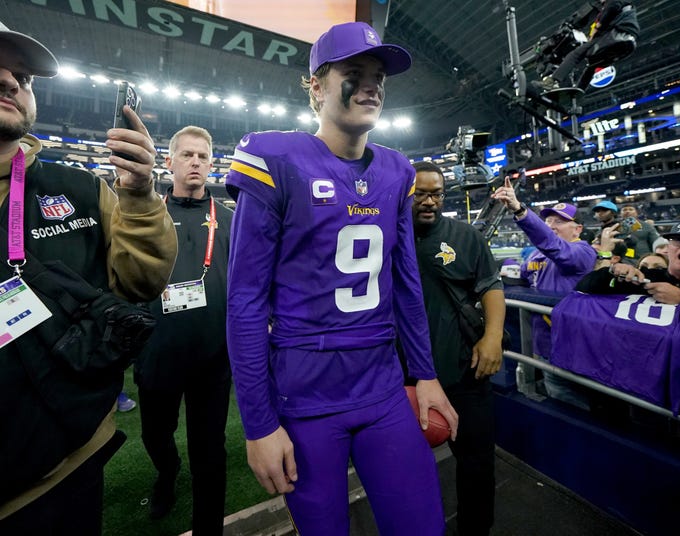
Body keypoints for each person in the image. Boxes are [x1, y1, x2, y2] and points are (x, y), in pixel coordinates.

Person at [223, 22, 458, 536]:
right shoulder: (274, 158)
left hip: (382, 387)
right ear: (315, 86)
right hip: (305, 397)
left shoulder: (397, 171)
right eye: (355, 73)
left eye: (378, 76)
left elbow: (405, 285)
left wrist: (425, 374)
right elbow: (244, 301)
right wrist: (259, 423)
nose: (371, 85)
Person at [0, 21, 177, 534]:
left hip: (64, 471)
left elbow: (143, 282)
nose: (12, 81)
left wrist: (141, 195)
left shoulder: (79, 189)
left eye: (25, 77)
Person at [133, 126, 233, 532]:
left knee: (211, 450)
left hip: (214, 359)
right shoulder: (145, 216)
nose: (195, 162)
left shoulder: (228, 220)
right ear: (169, 162)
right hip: (158, 352)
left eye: (203, 156)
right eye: (187, 155)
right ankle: (168, 473)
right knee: (156, 436)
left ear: (211, 164)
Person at [411, 161, 505, 536]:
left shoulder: (466, 236)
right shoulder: (384, 235)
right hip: (405, 374)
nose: (430, 201)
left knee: (477, 465)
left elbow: (491, 286)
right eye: (421, 193)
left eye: (436, 193)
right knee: (406, 466)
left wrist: (493, 337)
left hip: (465, 369)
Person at [491, 182, 596, 409]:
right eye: (548, 220)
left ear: (578, 229)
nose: (551, 225)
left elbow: (555, 247)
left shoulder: (584, 252)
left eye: (559, 221)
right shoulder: (536, 256)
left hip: (574, 349)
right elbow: (524, 280)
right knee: (555, 397)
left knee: (576, 405)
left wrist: (519, 210)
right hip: (544, 346)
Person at [541, 0, 639, 91]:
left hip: (617, 36)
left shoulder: (614, 2)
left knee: (575, 54)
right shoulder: (628, 8)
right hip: (628, 45)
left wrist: (597, 26)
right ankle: (579, 90)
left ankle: (552, 81)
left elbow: (612, 7)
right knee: (592, 65)